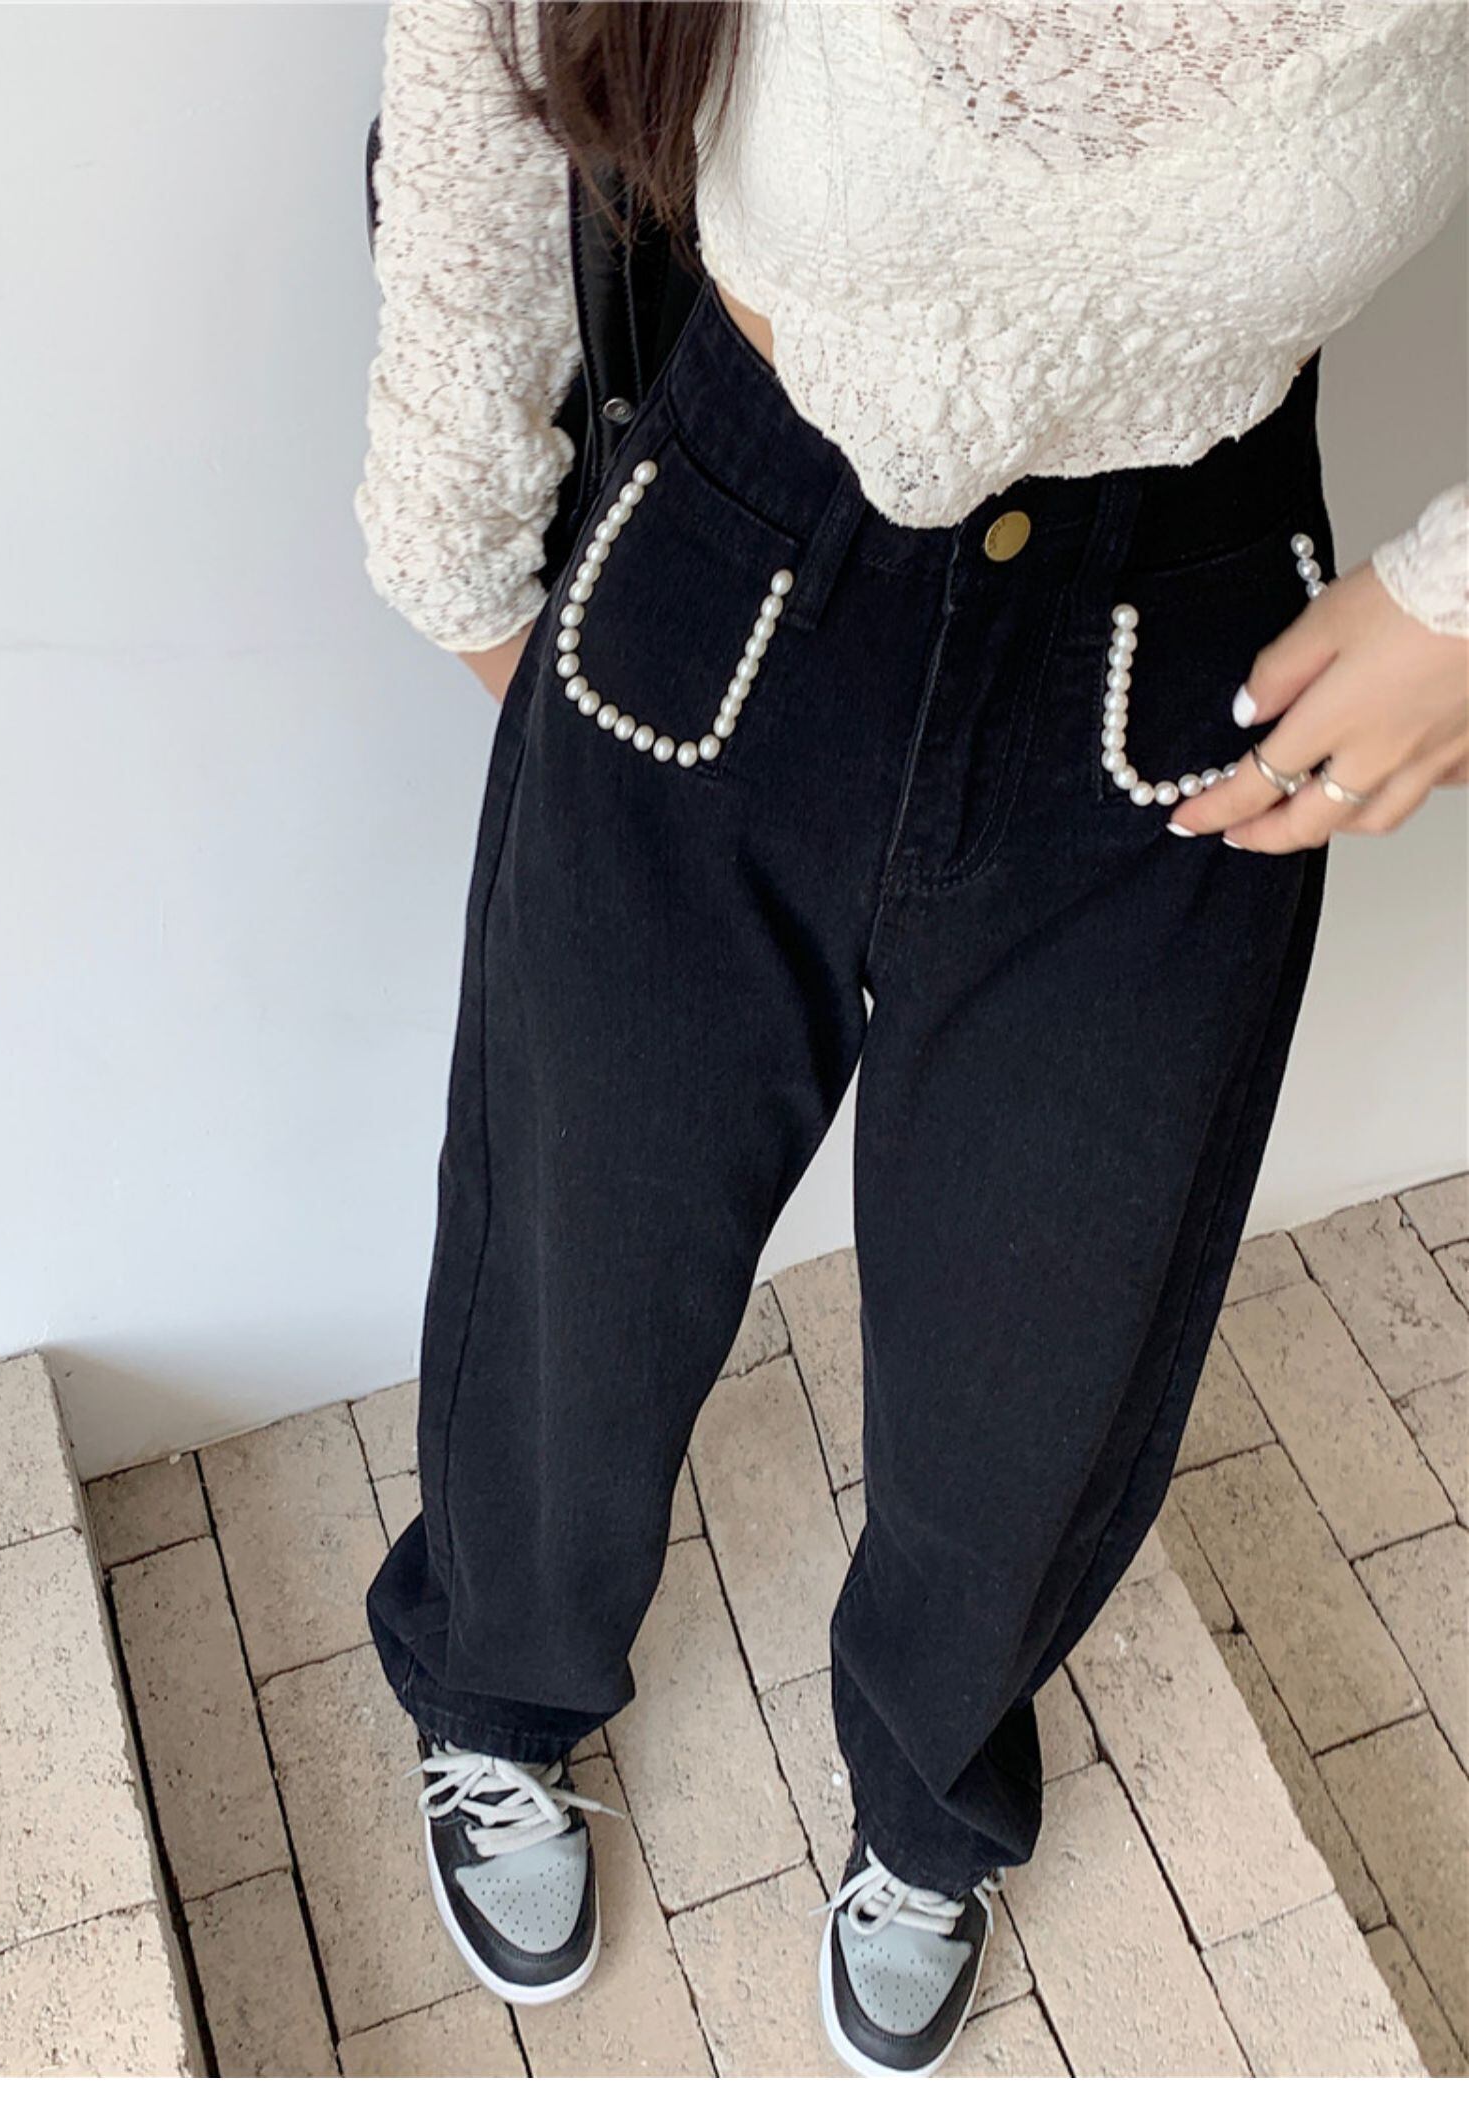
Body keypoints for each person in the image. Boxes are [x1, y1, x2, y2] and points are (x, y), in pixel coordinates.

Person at [356, 0, 1468, 2077]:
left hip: (1180, 637)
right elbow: (488, 48)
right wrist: (460, 524)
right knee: (580, 1256)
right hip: (737, 528)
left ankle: (932, 1796)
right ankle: (494, 1684)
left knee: (1047, 1346)